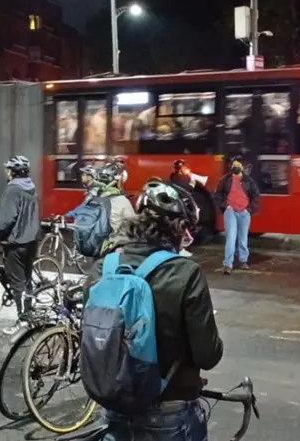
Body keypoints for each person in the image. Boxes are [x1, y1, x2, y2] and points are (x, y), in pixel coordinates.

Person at [87, 182, 223, 440]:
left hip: (114, 407)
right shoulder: (186, 273)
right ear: (180, 229)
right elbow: (208, 356)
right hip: (170, 410)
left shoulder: (103, 269)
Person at [0, 155, 40, 334]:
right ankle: (28, 311)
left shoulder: (12, 189)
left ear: (13, 172)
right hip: (31, 240)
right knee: (27, 280)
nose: (6, 172)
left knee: (17, 284)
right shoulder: (31, 187)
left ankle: (22, 319)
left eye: (8, 169)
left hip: (16, 242)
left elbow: (7, 219)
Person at [214, 157, 260, 274]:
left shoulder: (248, 180)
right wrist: (226, 206)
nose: (235, 166)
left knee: (243, 237)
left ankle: (243, 260)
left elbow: (255, 195)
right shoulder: (225, 180)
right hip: (230, 211)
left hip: (244, 212)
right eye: (233, 164)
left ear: (242, 167)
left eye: (237, 164)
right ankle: (228, 264)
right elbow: (218, 195)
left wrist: (249, 209)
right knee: (231, 237)